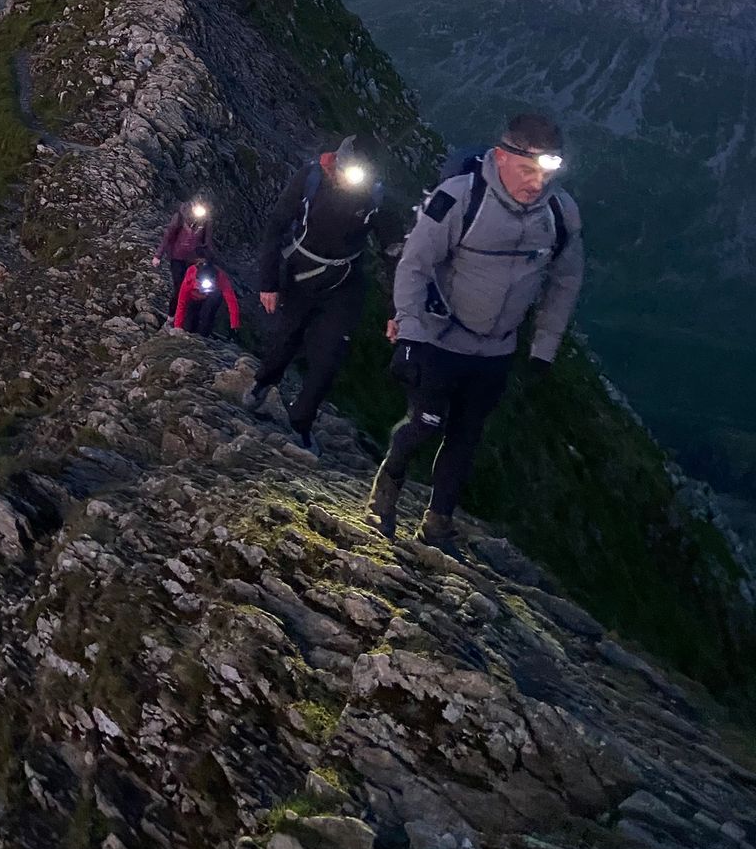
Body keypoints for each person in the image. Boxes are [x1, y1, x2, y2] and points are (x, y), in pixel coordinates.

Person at [367, 112, 584, 553]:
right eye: (527, 170)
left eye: (545, 173)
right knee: (425, 423)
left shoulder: (560, 214)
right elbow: (414, 265)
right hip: (440, 338)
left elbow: (565, 283)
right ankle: (388, 482)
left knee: (466, 437)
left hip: (496, 350)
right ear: (501, 157)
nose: (536, 183)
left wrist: (544, 349)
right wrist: (408, 334)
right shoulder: (459, 199)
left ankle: (438, 521)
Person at [245, 135, 399, 457]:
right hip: (300, 274)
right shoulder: (312, 177)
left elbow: (393, 254)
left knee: (329, 357)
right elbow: (276, 225)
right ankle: (264, 381)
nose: (351, 181)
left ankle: (301, 420)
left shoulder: (377, 197)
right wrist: (268, 282)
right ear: (337, 164)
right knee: (286, 337)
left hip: (344, 284)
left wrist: (396, 310)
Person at [153, 200, 214, 319]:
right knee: (179, 287)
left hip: (194, 259)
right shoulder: (180, 217)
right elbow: (168, 236)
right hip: (177, 257)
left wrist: (211, 260)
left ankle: (188, 319)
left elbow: (207, 242)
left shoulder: (206, 221)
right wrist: (158, 255)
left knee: (196, 288)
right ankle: (171, 317)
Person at [173, 255, 241, 339]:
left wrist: (234, 324)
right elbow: (182, 302)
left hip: (211, 298)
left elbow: (231, 301)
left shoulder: (221, 278)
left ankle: (204, 336)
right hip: (194, 298)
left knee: (207, 315)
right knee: (189, 325)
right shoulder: (191, 274)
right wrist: (177, 326)